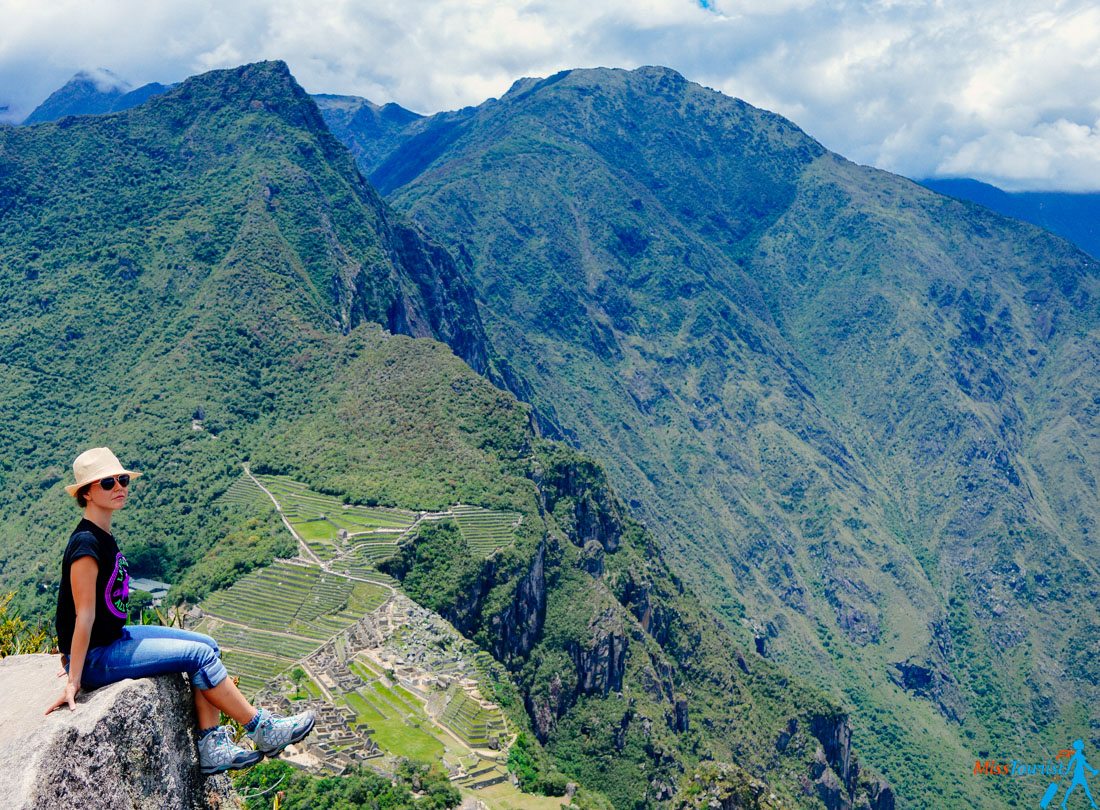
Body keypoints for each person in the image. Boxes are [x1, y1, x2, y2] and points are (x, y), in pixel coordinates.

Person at [46, 447, 315, 775]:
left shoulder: (102, 534)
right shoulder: (86, 546)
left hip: (113, 637)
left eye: (122, 479)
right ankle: (262, 729)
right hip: (98, 656)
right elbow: (82, 614)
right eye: (107, 483)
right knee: (200, 657)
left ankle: (212, 744)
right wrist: (74, 674)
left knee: (208, 646)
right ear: (86, 493)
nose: (119, 486)